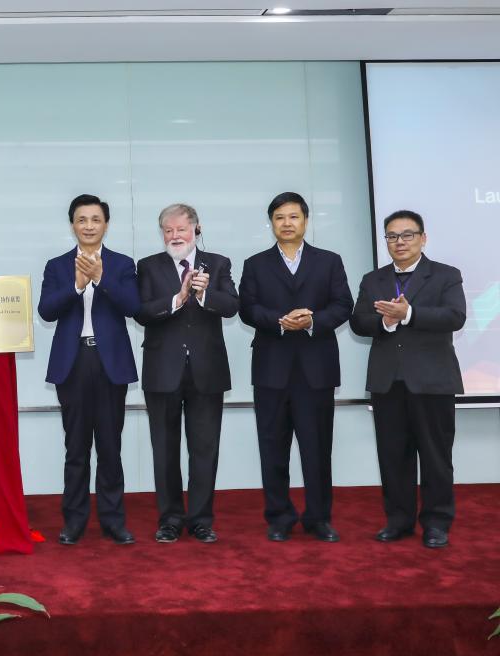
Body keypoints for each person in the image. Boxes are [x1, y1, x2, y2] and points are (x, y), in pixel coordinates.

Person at [239, 192, 353, 543]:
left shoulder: (329, 261)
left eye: (293, 217)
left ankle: (319, 518)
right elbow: (247, 308)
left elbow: (343, 305)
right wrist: (279, 321)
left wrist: (312, 321)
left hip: (316, 370)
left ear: (305, 220)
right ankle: (279, 517)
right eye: (279, 217)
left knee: (317, 450)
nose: (286, 223)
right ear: (271, 223)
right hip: (271, 370)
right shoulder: (255, 264)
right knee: (272, 449)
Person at [350, 210, 466, 549]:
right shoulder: (373, 279)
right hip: (388, 381)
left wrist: (409, 314)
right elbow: (358, 321)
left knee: (435, 457)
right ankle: (398, 521)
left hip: (433, 381)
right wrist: (385, 323)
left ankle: (436, 523)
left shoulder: (445, 275)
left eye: (407, 235)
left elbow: (455, 316)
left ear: (423, 238)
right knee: (393, 456)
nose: (399, 242)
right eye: (392, 236)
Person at [38, 194, 140, 545]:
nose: (89, 226)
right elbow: (46, 310)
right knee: (76, 448)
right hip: (74, 362)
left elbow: (133, 306)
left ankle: (114, 521)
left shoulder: (122, 264)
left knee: (110, 447)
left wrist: (101, 278)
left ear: (106, 225)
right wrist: (77, 286)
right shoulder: (57, 266)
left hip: (110, 363)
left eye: (96, 219)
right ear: (73, 225)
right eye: (82, 220)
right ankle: (74, 521)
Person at [135, 203, 239, 544]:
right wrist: (178, 298)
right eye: (168, 230)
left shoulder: (218, 263)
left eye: (181, 229)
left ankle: (200, 520)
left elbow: (232, 306)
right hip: (162, 371)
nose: (175, 235)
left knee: (204, 449)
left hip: (207, 370)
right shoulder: (148, 266)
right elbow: (141, 312)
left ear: (197, 229)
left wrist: (205, 294)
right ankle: (169, 520)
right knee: (164, 450)